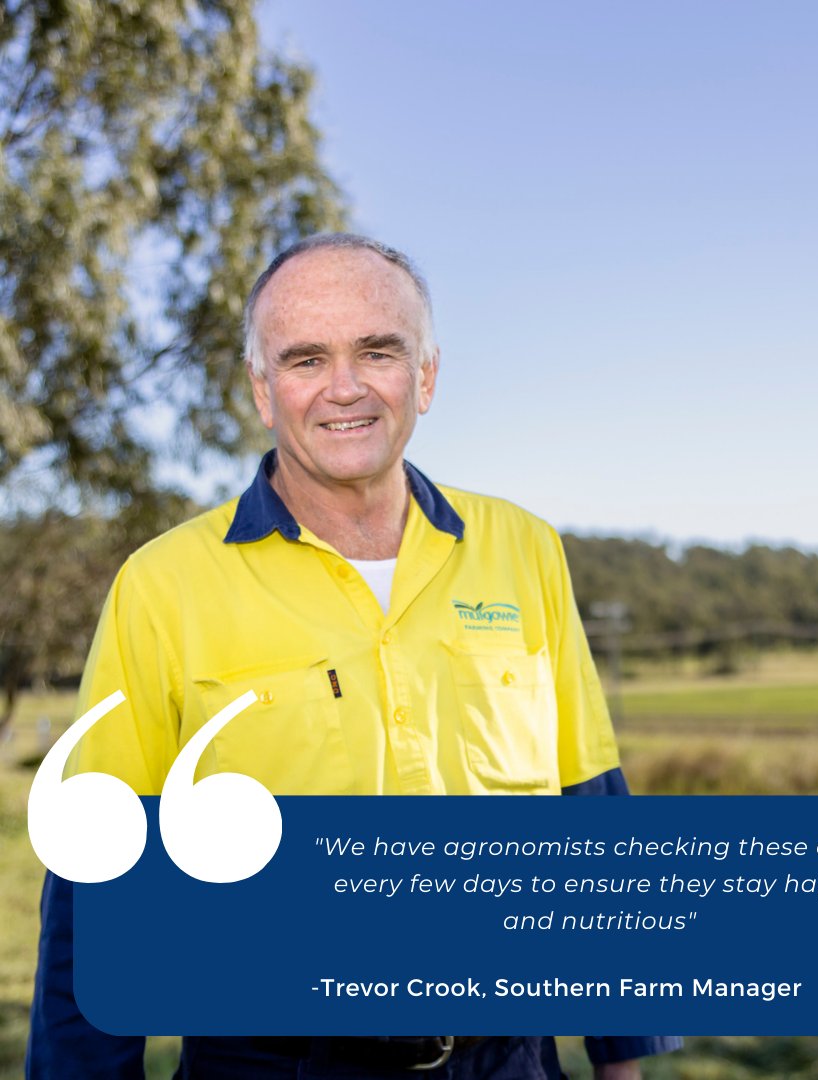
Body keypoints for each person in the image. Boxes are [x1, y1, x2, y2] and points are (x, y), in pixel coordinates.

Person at [27, 233, 682, 1078]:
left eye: (377, 350)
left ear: (427, 376)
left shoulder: (525, 550)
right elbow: (98, 884)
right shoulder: (162, 585)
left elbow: (590, 816)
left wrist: (621, 1060)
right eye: (305, 359)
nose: (345, 387)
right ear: (264, 392)